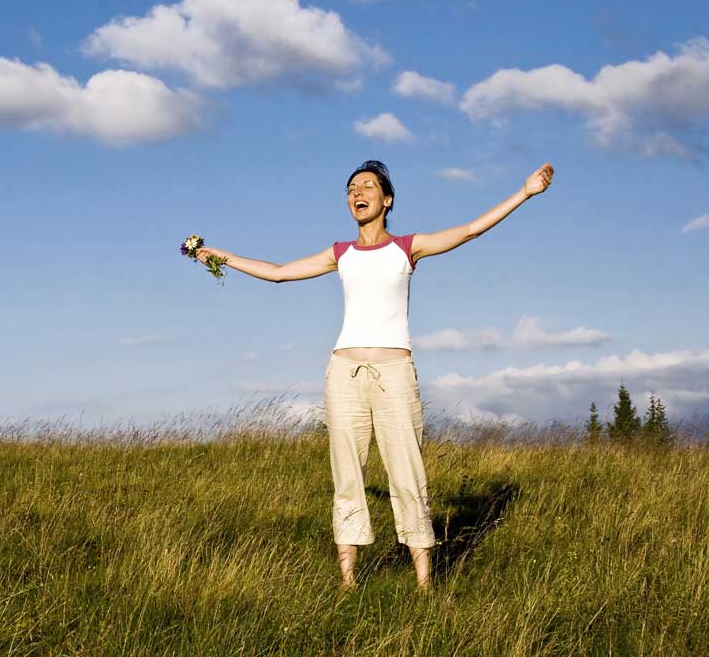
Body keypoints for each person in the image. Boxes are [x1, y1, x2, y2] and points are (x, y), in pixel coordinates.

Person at [195, 160, 554, 590]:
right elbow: (278, 273)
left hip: (394, 373)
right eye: (351, 188)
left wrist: (525, 191)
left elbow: (470, 230)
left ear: (387, 200)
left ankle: (424, 583)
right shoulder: (340, 253)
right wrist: (223, 256)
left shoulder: (407, 247)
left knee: (407, 471)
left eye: (367, 185)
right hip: (344, 374)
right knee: (347, 473)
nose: (357, 192)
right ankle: (348, 581)